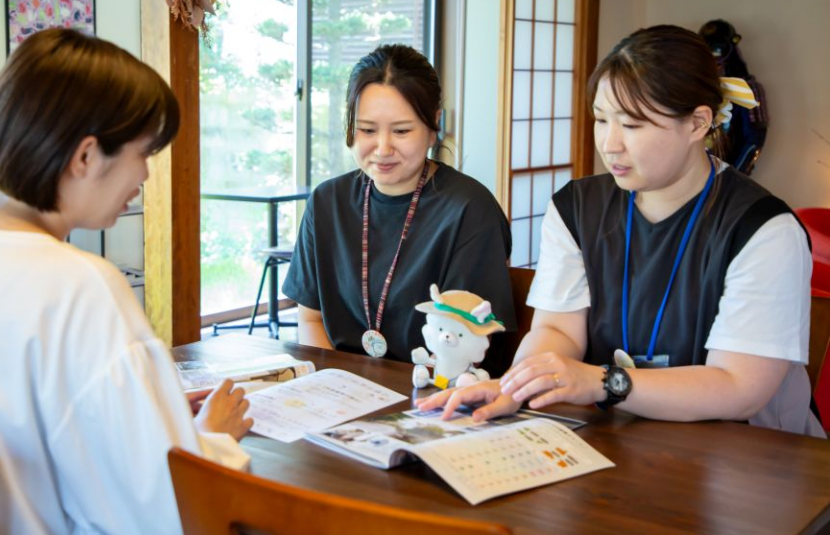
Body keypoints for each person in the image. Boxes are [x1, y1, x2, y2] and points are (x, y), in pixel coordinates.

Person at [0, 28, 255, 534]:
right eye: (144, 154)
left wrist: (146, 411)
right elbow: (160, 510)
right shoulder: (80, 285)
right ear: (86, 157)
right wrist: (211, 440)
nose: (144, 176)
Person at [419, 25, 823, 437]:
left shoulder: (763, 229)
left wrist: (600, 382)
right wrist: (518, 387)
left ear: (699, 122)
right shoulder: (576, 209)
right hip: (618, 435)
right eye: (600, 119)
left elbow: (739, 388)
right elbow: (557, 330)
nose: (610, 144)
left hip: (748, 454)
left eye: (632, 125)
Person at [283, 44, 515, 376]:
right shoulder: (326, 203)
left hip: (436, 391)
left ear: (434, 125)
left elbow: (470, 347)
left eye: (402, 131)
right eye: (367, 130)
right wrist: (335, 386)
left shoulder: (469, 210)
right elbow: (310, 317)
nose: (382, 148)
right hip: (339, 388)